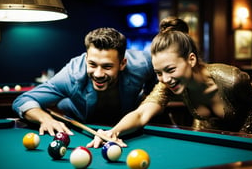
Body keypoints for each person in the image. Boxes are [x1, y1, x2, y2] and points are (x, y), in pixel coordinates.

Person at [88, 20, 252, 148]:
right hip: (205, 136)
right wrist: (113, 132)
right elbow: (141, 114)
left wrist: (244, 138)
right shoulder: (168, 84)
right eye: (158, 73)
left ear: (191, 59)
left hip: (247, 138)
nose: (165, 79)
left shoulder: (232, 80)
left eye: (171, 69)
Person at [12, 27, 157, 136]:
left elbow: (156, 77)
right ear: (86, 58)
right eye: (92, 64)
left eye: (107, 66)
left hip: (126, 126)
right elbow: (23, 100)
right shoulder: (72, 75)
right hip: (81, 123)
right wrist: (45, 118)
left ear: (122, 63)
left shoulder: (142, 63)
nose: (98, 74)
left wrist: (147, 96)